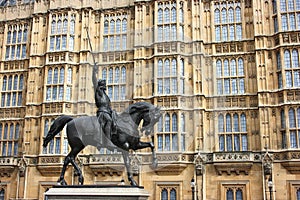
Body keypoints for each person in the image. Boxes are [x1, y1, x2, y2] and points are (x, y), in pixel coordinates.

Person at [92, 64, 115, 144]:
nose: (105, 85)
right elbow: (94, 81)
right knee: (108, 120)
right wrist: (94, 71)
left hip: (107, 111)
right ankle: (108, 141)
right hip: (102, 112)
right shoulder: (98, 90)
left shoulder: (105, 95)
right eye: (104, 84)